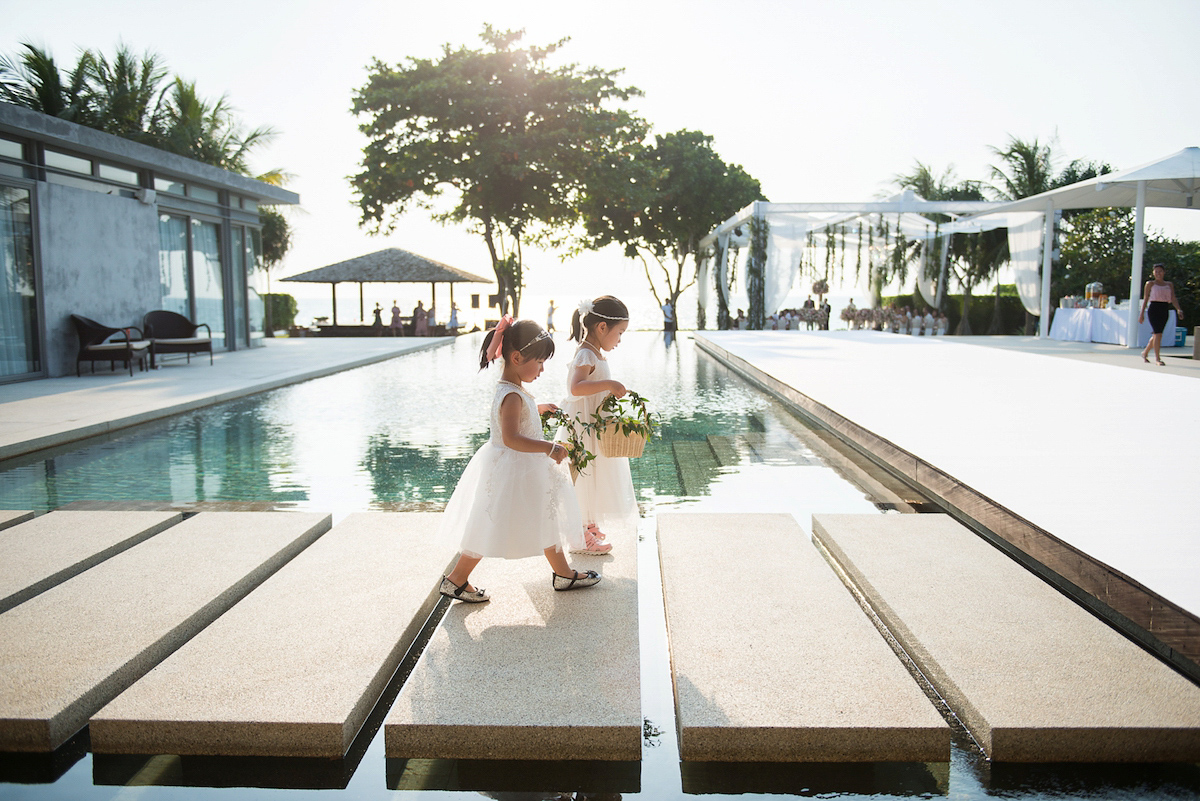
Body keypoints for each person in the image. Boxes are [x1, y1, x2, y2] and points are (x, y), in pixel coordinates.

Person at [438, 317, 600, 603]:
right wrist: (548, 447)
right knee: (496, 521)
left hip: (518, 468)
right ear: (516, 357)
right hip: (515, 469)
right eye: (539, 362)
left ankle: (563, 573)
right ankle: (456, 578)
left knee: (543, 515)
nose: (542, 369)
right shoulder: (512, 395)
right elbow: (511, 437)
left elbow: (513, 420)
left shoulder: (512, 390)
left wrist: (536, 409)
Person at [561, 295, 639, 555]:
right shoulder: (586, 353)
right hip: (582, 427)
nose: (619, 339)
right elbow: (576, 387)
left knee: (593, 475)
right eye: (619, 333)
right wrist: (609, 384)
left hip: (592, 425)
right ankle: (579, 535)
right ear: (602, 327)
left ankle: (588, 523)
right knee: (584, 476)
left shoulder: (594, 353)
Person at [1139, 263, 1185, 366]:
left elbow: (1173, 298)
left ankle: (1145, 352)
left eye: (1160, 271)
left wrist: (1179, 309)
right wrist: (1141, 313)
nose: (1158, 273)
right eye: (1156, 271)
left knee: (1157, 334)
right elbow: (1146, 298)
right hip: (1154, 308)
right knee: (1157, 333)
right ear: (1153, 273)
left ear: (1164, 272)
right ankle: (1157, 358)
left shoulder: (1169, 284)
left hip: (1164, 308)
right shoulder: (1150, 284)